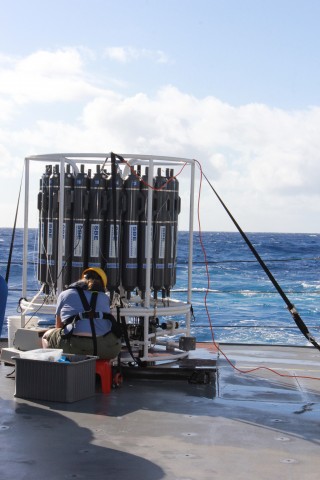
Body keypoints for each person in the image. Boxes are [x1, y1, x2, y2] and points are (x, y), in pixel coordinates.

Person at [42, 267, 122, 360]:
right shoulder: (105, 298)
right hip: (103, 350)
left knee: (46, 336)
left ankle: (54, 367)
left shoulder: (64, 294)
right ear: (103, 285)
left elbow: (58, 326)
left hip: (72, 347)